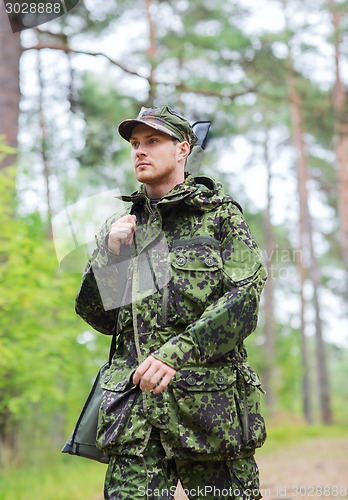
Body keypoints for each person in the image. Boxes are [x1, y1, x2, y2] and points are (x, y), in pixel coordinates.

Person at [75, 105, 267, 500]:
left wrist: (176, 352)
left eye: (153, 141)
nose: (139, 151)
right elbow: (99, 317)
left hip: (212, 412)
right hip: (135, 419)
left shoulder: (219, 217)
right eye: (134, 144)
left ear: (182, 150)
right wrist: (111, 255)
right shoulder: (121, 228)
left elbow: (245, 299)